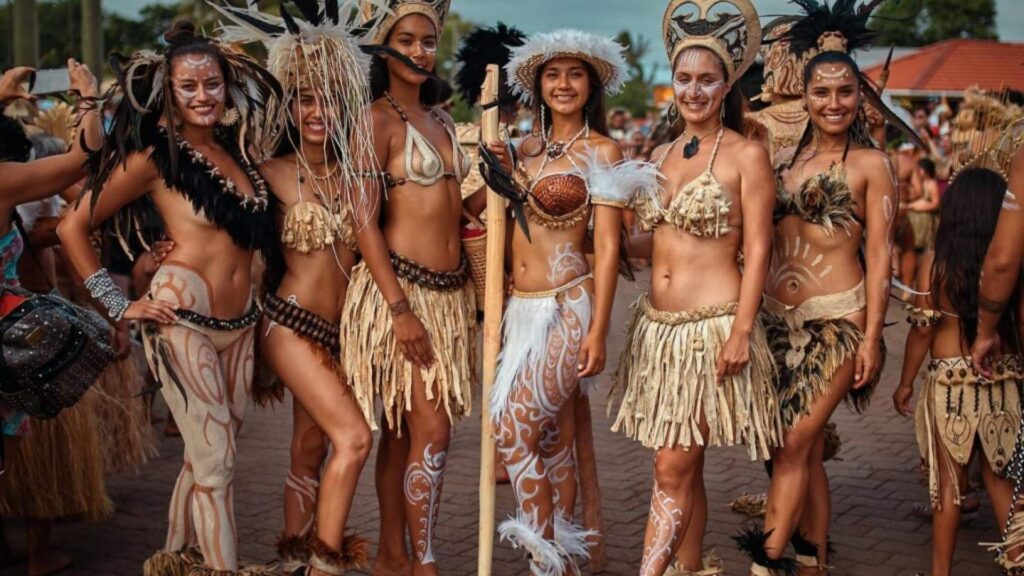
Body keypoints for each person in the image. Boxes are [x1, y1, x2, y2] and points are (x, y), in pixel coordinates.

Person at [56, 20, 280, 575]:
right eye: (189, 87)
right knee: (217, 461)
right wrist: (118, 303)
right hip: (180, 317)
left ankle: (175, 562)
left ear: (226, 86)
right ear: (169, 93)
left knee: (205, 456)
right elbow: (70, 228)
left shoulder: (238, 152)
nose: (203, 96)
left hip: (240, 324)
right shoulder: (156, 158)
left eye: (211, 85)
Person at [609, 2, 781, 575]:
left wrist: (740, 331)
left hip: (711, 330)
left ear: (727, 82)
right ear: (672, 83)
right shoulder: (658, 155)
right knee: (687, 467)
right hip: (658, 333)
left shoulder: (747, 154)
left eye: (707, 79)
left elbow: (758, 249)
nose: (694, 90)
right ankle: (689, 570)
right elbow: (650, 245)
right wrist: (595, 229)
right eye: (684, 79)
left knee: (671, 469)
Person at [213, 2, 386, 572]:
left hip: (344, 335)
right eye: (308, 98)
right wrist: (154, 264)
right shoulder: (269, 172)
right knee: (355, 440)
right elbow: (220, 232)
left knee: (310, 450)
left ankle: (292, 556)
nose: (319, 111)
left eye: (332, 98)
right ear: (292, 103)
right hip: (289, 325)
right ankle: (324, 563)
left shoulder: (363, 175)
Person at [467, 28, 636, 574]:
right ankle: (564, 554)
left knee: (512, 431)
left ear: (592, 85)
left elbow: (608, 247)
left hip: (568, 305)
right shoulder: (520, 147)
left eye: (575, 74)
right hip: (518, 309)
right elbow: (474, 209)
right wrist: (492, 162)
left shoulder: (603, 151)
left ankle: (543, 558)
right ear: (537, 85)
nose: (564, 84)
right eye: (553, 74)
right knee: (550, 437)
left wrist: (598, 330)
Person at [744, 6, 897, 571]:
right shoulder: (783, 161)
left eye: (846, 91)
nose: (834, 103)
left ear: (861, 96)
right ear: (804, 96)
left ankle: (766, 563)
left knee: (791, 445)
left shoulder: (872, 165)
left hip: (837, 325)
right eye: (822, 92)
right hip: (774, 325)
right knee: (797, 453)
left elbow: (881, 256)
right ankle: (813, 559)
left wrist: (873, 338)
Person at [340, 2, 476, 574]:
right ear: (384, 46)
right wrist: (399, 309)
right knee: (432, 429)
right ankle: (425, 561)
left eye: (429, 41)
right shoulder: (375, 120)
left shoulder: (442, 120)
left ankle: (393, 555)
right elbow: (362, 219)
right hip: (401, 296)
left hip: (450, 295)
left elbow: (453, 208)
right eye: (409, 39)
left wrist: (497, 188)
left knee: (401, 435)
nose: (421, 51)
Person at [893, 167, 1022, 576]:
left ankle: (940, 573)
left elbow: (922, 330)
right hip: (1002, 376)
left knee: (948, 485)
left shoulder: (937, 261)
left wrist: (905, 382)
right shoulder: (1011, 264)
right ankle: (1017, 562)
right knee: (1001, 479)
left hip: (950, 382)